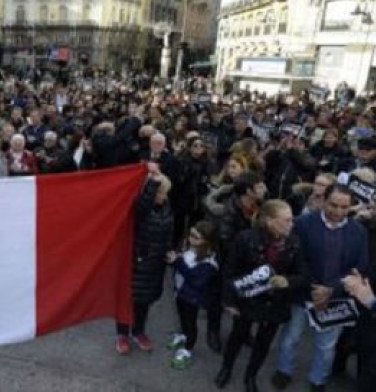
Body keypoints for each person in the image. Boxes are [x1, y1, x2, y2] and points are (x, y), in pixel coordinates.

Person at [272, 184, 370, 392]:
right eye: (333, 205)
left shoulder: (359, 232)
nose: (338, 212)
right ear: (324, 200)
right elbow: (296, 259)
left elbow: (360, 267)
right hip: (303, 294)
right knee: (291, 337)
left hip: (336, 298)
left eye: (344, 207)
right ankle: (283, 370)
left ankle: (318, 380)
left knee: (326, 346)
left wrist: (331, 290)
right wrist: (315, 287)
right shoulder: (303, 224)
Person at [215, 200, 307, 392]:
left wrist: (287, 281)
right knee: (237, 336)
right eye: (287, 220)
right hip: (247, 299)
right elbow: (229, 271)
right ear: (270, 221)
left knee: (263, 343)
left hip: (274, 303)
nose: (292, 224)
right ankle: (226, 368)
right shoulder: (246, 239)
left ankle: (251, 376)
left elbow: (303, 275)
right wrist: (228, 301)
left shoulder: (294, 243)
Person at [115, 166, 173, 355]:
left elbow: (169, 232)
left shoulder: (166, 207)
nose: (165, 197)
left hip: (155, 263)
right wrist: (153, 180)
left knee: (144, 301)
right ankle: (122, 334)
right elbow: (142, 205)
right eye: (162, 193)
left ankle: (138, 331)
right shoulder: (141, 207)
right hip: (137, 261)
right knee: (128, 299)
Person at [166, 220, 219, 369]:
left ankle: (187, 349)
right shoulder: (190, 249)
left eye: (196, 237)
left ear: (207, 241)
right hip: (181, 293)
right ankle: (182, 336)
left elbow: (195, 279)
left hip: (192, 298)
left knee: (190, 323)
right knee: (182, 318)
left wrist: (177, 262)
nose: (190, 239)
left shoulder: (209, 262)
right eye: (191, 235)